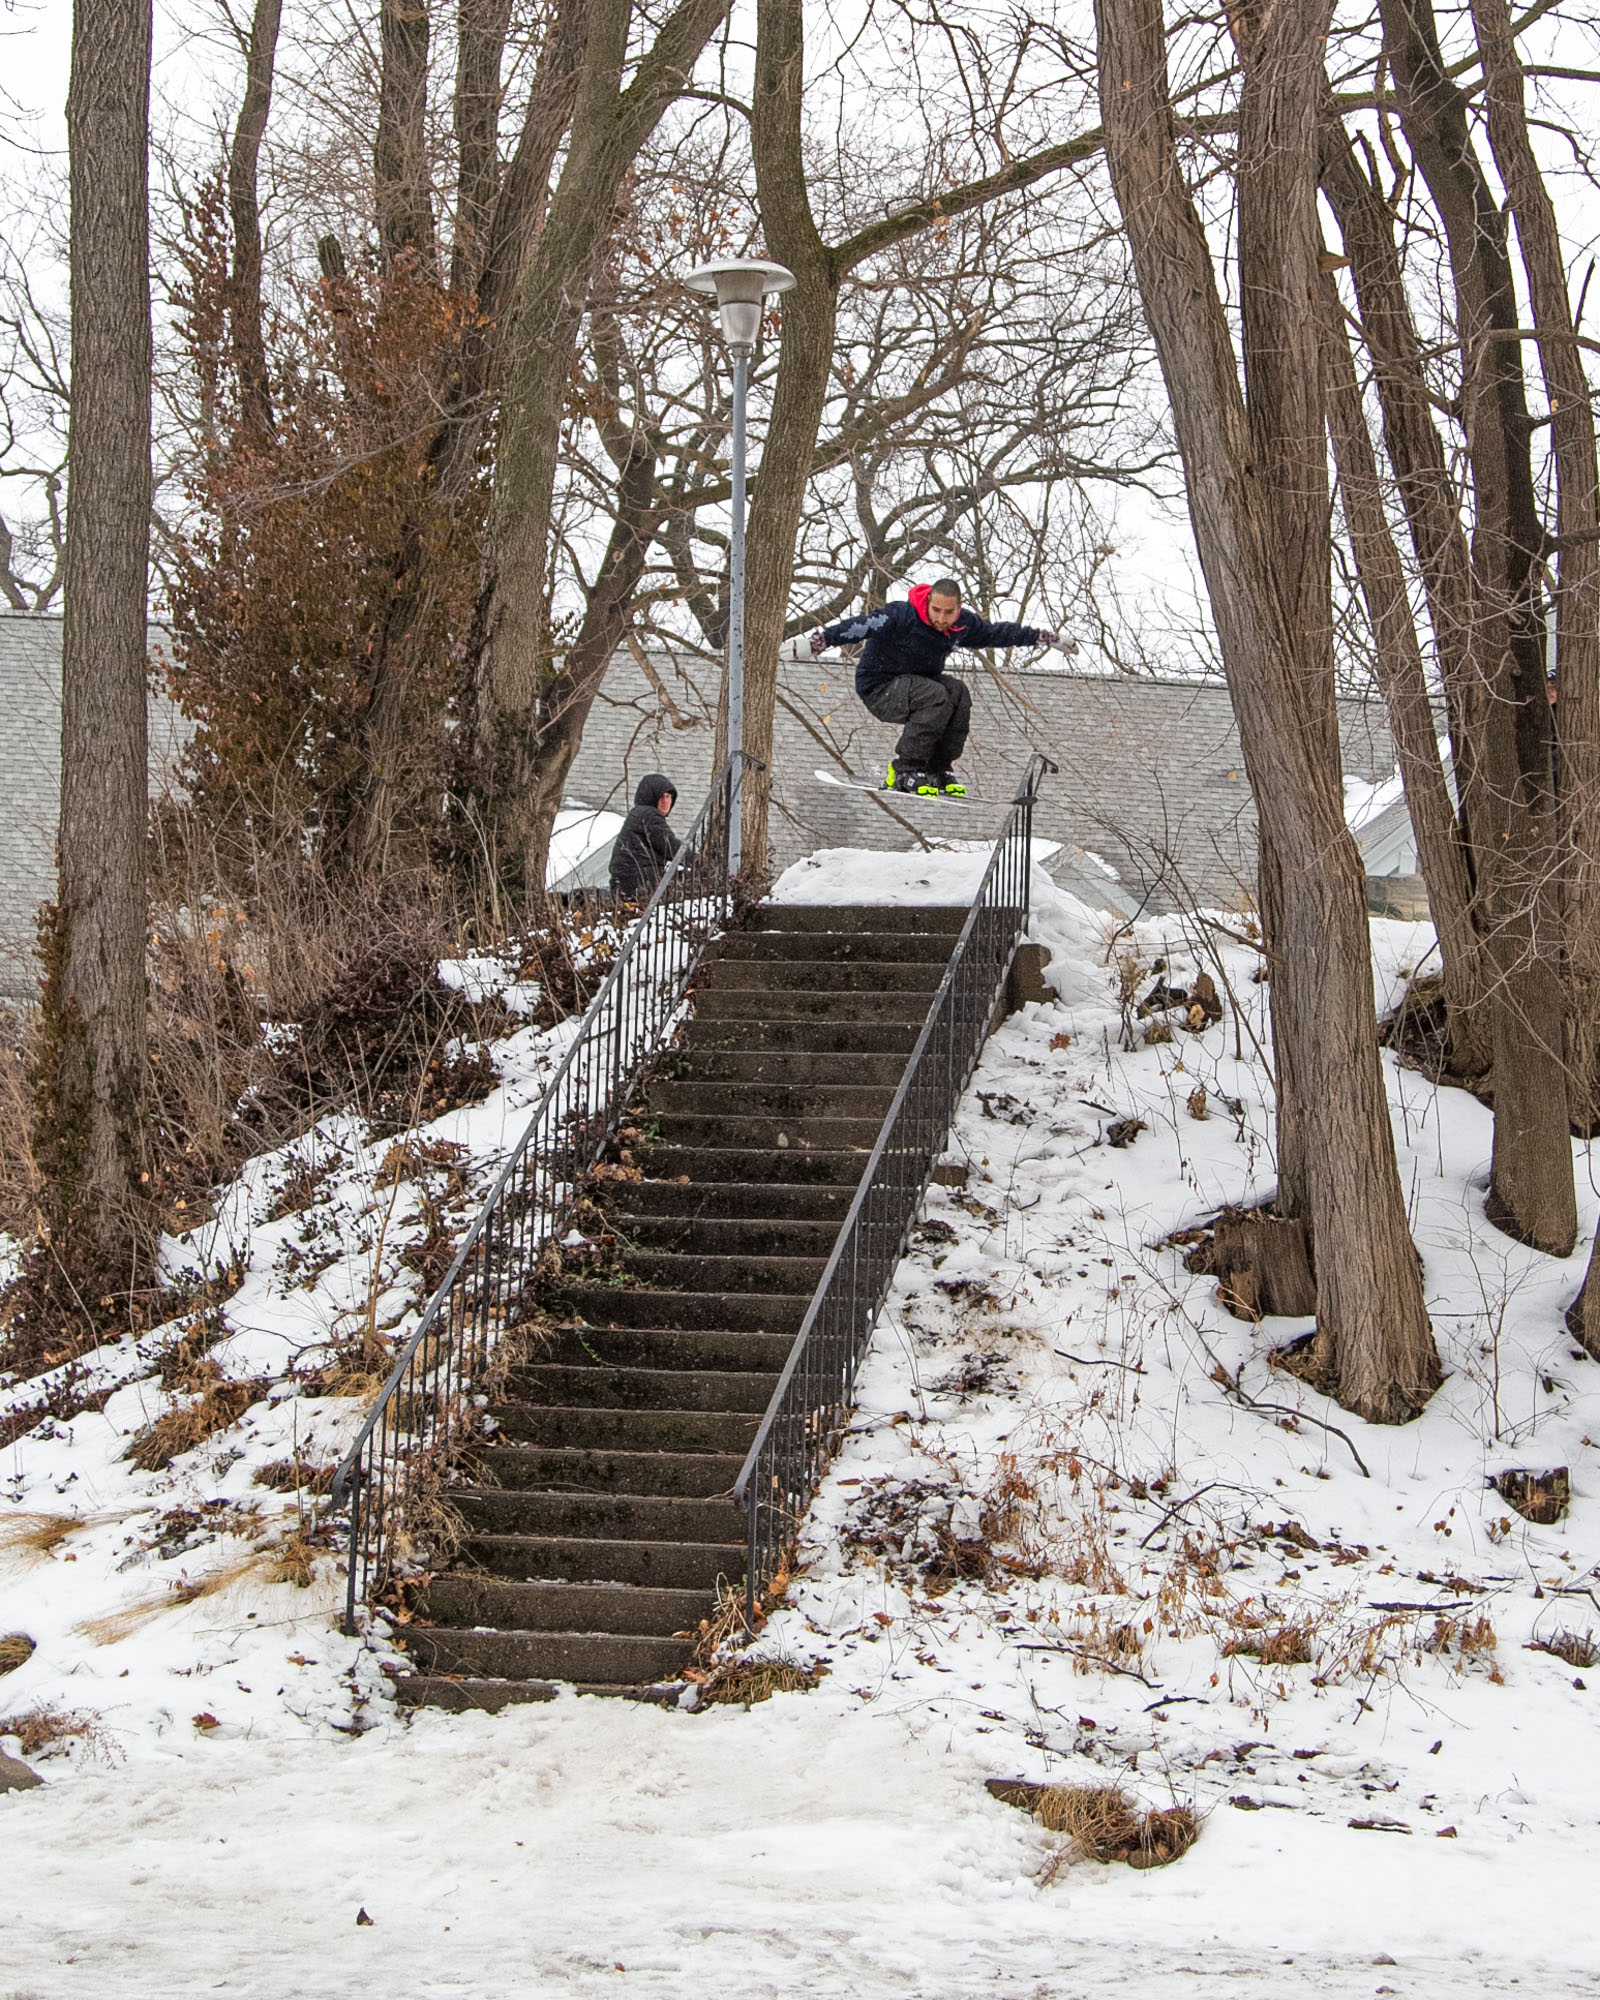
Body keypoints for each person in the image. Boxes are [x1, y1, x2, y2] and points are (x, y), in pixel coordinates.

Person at [797, 578, 1074, 795]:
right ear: (928, 602)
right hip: (879, 689)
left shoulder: (963, 626)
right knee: (935, 694)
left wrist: (1046, 638)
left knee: (958, 693)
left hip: (918, 690)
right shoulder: (901, 616)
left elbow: (999, 633)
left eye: (949, 613)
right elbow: (861, 626)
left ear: (959, 609)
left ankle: (938, 768)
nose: (941, 619)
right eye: (936, 611)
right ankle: (904, 768)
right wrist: (817, 643)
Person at [609, 772, 680, 901]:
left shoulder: (640, 813)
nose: (666, 801)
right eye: (661, 797)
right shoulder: (648, 816)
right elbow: (672, 847)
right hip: (638, 882)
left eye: (668, 796)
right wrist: (701, 863)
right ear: (651, 797)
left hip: (628, 882)